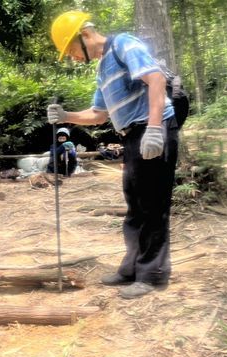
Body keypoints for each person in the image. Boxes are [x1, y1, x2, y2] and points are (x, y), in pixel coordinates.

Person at [48, 11, 179, 299]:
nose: (73, 58)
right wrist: (65, 115)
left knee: (152, 205)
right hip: (131, 136)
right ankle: (132, 267)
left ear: (84, 36)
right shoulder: (103, 69)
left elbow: (155, 79)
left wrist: (155, 129)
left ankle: (152, 274)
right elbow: (97, 115)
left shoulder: (123, 44)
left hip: (152, 129)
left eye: (70, 51)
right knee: (135, 205)